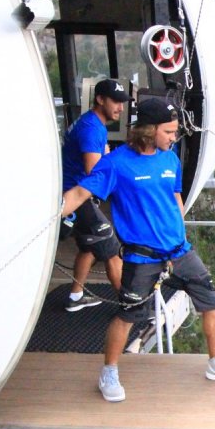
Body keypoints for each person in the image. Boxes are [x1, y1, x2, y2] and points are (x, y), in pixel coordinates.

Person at [61, 97, 215, 402]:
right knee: (129, 314)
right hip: (142, 257)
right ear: (149, 131)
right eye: (169, 132)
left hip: (179, 251)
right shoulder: (117, 164)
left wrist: (178, 228)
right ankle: (108, 372)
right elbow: (82, 191)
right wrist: (56, 212)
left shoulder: (169, 158)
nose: (174, 138)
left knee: (211, 301)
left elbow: (174, 195)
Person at [60, 78, 126, 311]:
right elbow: (93, 172)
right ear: (99, 99)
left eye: (122, 102)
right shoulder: (91, 129)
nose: (120, 107)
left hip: (76, 191)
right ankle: (130, 306)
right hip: (76, 195)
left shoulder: (93, 123)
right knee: (110, 247)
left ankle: (76, 297)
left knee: (89, 247)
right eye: (115, 102)